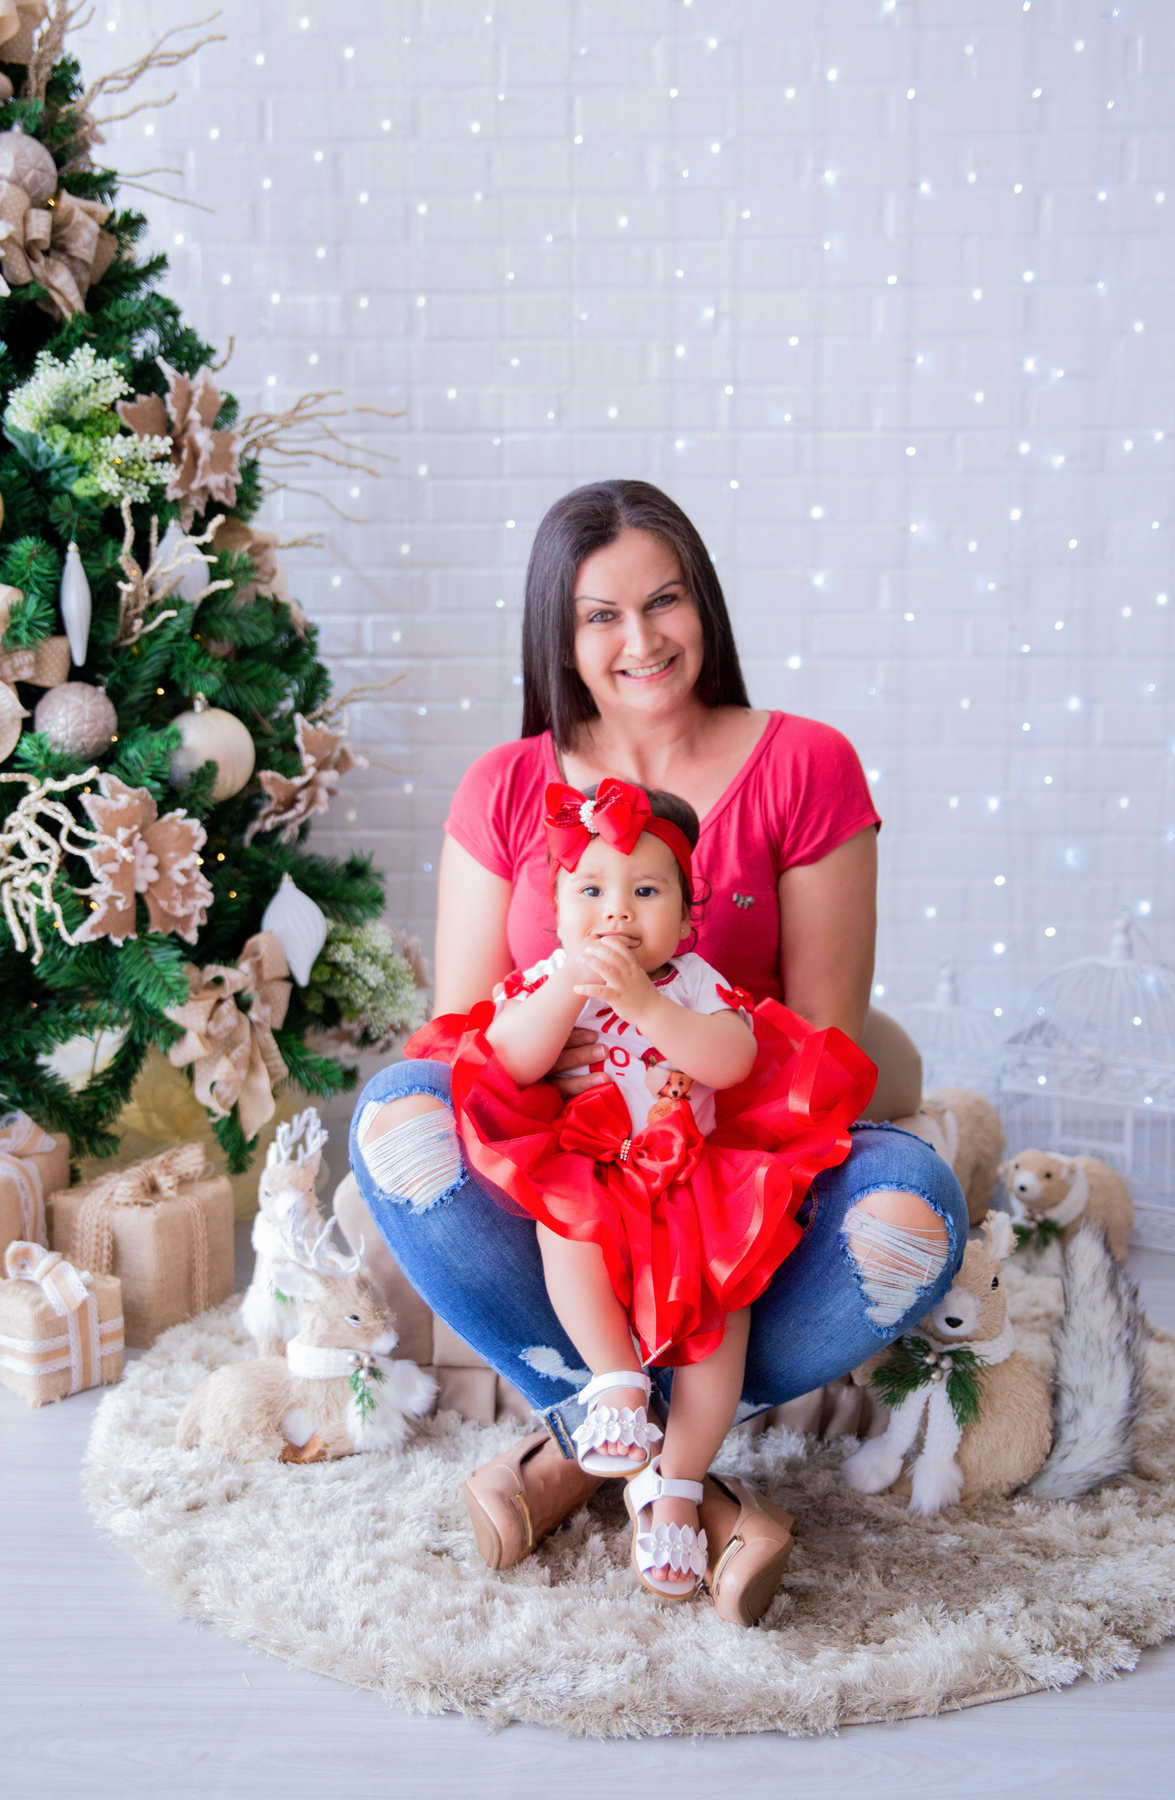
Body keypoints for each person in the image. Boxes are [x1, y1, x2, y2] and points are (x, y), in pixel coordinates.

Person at [342, 479, 968, 1626]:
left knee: (916, 1206)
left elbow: (825, 1049)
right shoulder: (505, 786)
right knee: (397, 1111)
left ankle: (584, 1454)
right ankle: (678, 1480)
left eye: (664, 602)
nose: (641, 640)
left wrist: (680, 1075)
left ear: (705, 607)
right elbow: (461, 1034)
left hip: (733, 1165)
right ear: (559, 635)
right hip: (569, 1171)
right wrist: (563, 1064)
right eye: (601, 616)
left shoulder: (807, 764)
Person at [419, 776, 876, 1600]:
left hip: (691, 1185)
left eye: (645, 890)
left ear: (686, 913)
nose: (617, 911)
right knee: (568, 1230)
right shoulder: (549, 979)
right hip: (592, 1174)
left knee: (719, 1320)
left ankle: (678, 1489)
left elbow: (732, 1061)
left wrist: (648, 1008)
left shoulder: (693, 983)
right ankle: (616, 1386)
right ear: (555, 909)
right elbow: (511, 1060)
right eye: (589, 890)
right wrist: (568, 987)